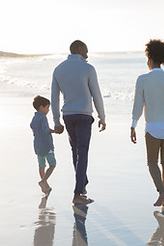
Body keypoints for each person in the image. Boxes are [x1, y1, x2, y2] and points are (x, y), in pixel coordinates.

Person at [130, 39, 164, 208]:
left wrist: (133, 124)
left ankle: (161, 192)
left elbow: (138, 104)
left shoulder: (143, 79)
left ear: (150, 58)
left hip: (153, 127)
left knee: (152, 162)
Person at [51, 40, 106, 204]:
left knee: (76, 151)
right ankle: (77, 194)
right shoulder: (88, 69)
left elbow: (55, 98)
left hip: (68, 116)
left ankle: (82, 186)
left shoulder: (58, 69)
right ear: (80, 49)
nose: (88, 55)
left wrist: (56, 121)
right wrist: (102, 117)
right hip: (83, 116)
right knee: (82, 152)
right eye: (86, 51)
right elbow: (97, 95)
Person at [30, 95, 57, 196]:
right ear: (41, 107)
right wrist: (55, 131)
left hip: (37, 145)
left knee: (41, 165)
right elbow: (46, 130)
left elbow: (32, 127)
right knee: (52, 164)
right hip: (46, 145)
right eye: (47, 108)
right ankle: (43, 181)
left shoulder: (34, 117)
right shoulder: (43, 118)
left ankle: (45, 186)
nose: (48, 110)